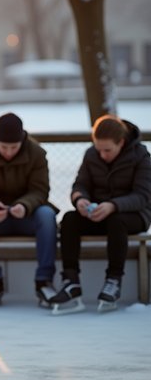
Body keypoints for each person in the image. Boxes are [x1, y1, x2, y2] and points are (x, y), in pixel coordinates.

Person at [51, 114, 151, 314]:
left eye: (108, 150)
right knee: (69, 219)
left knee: (116, 221)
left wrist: (113, 205)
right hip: (96, 212)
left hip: (133, 215)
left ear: (121, 142)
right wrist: (80, 199)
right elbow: (80, 185)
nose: (102, 154)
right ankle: (71, 281)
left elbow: (143, 196)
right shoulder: (91, 155)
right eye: (99, 149)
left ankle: (113, 280)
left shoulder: (142, 157)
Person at [0, 112, 58, 308]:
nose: (9, 152)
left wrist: (24, 205)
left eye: (14, 147)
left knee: (47, 215)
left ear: (22, 140)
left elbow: (40, 190)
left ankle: (44, 281)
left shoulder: (37, 153)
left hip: (27, 215)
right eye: (4, 147)